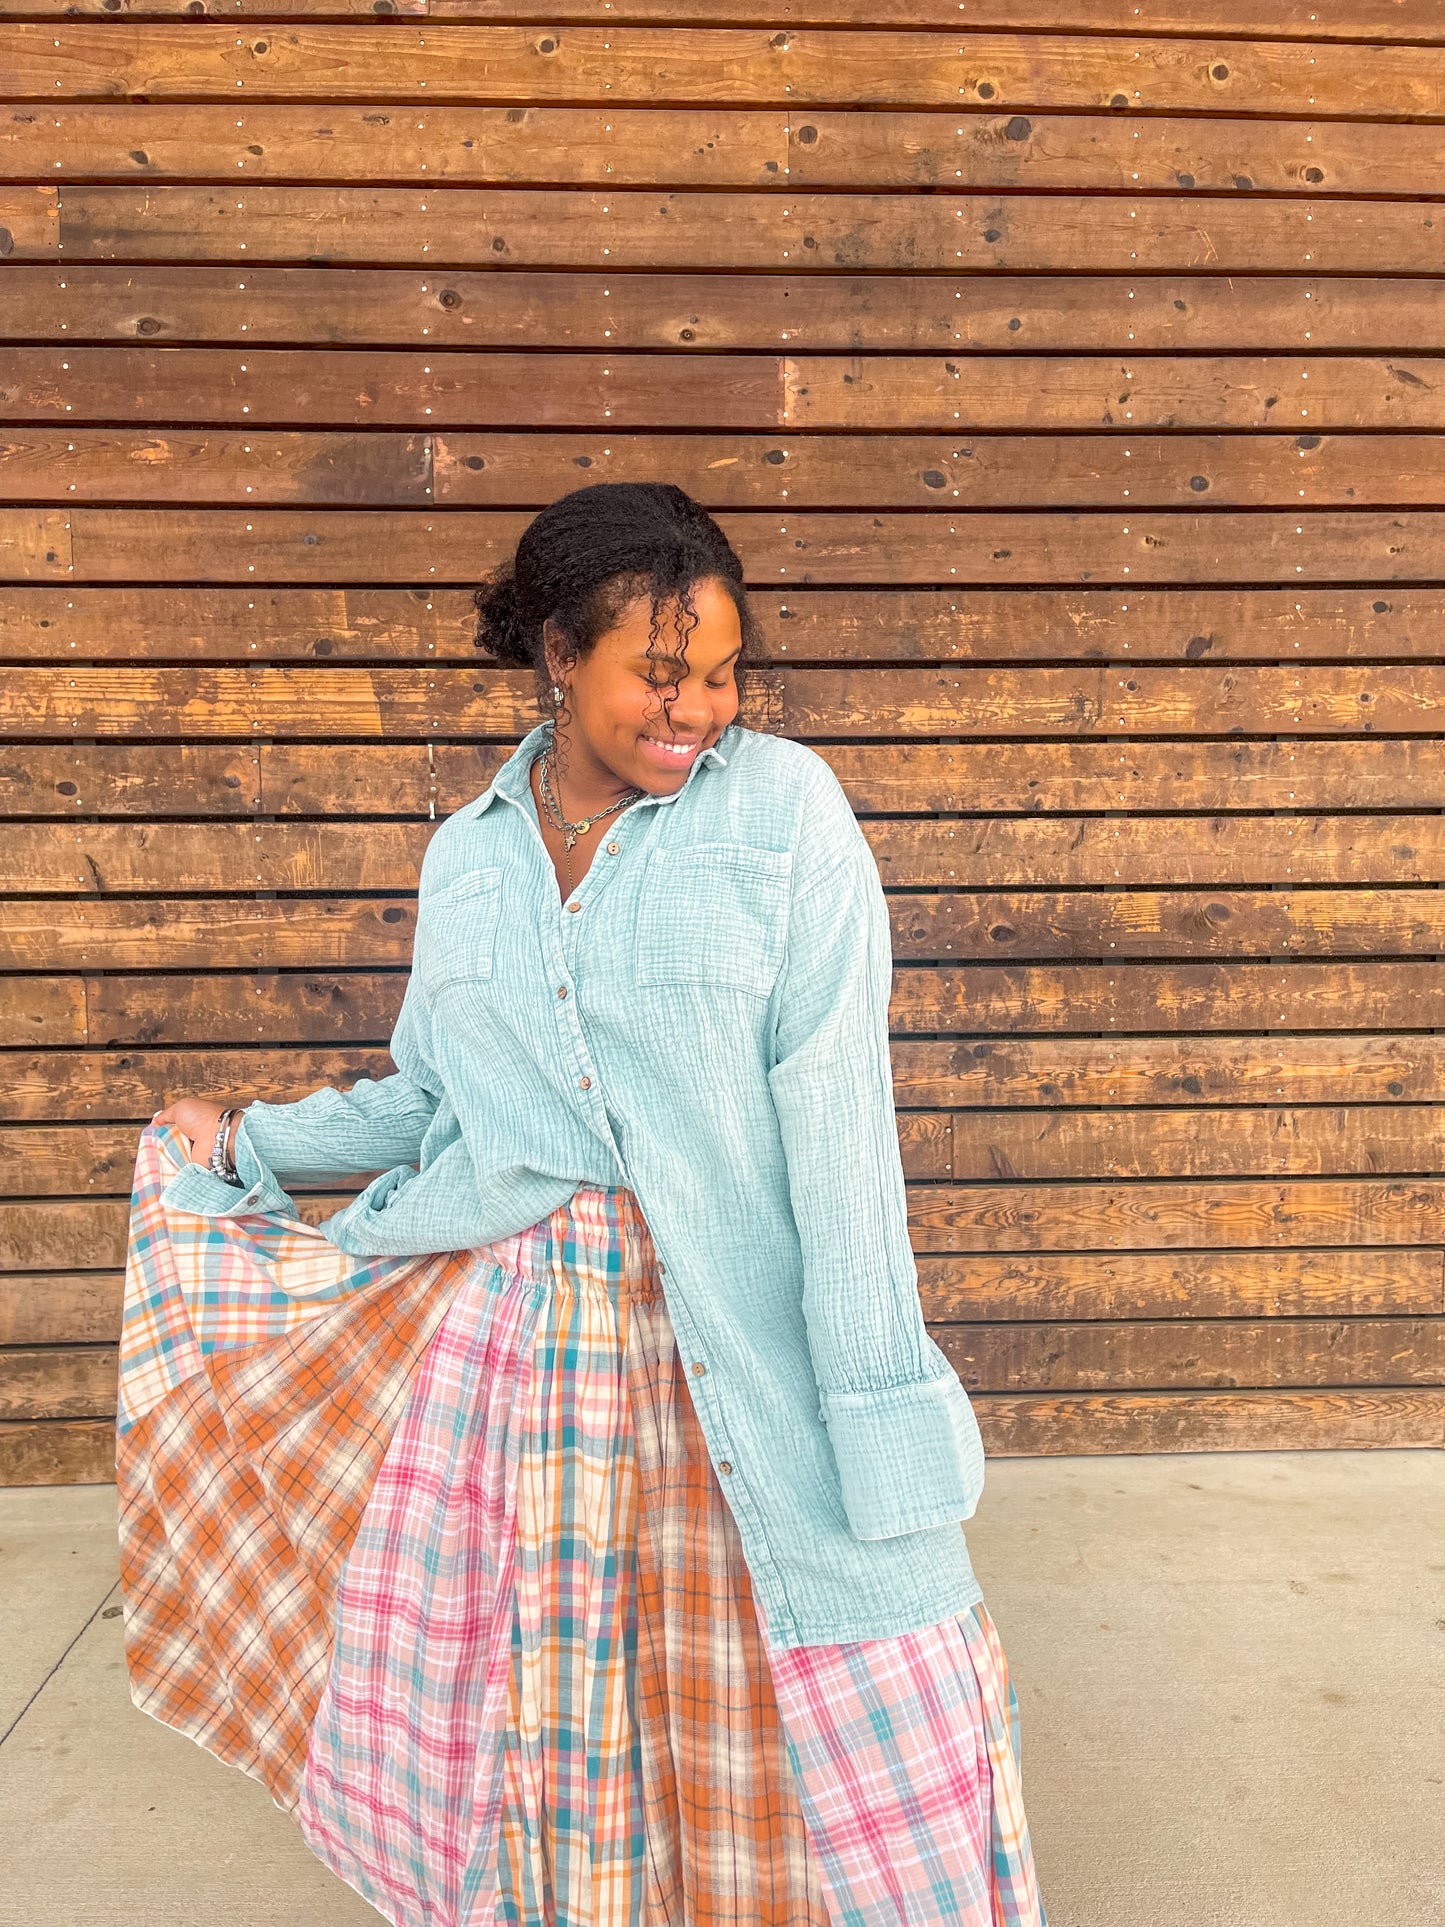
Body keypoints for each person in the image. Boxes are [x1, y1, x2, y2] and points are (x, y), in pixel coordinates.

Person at [121, 481, 1046, 1926]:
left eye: (723, 672)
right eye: (658, 673)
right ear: (559, 654)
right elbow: (434, 1100)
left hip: (730, 1347)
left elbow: (842, 1130)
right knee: (560, 1715)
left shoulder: (783, 818)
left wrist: (874, 1412)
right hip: (514, 1362)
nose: (698, 708)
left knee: (856, 1691)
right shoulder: (470, 857)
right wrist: (247, 1141)